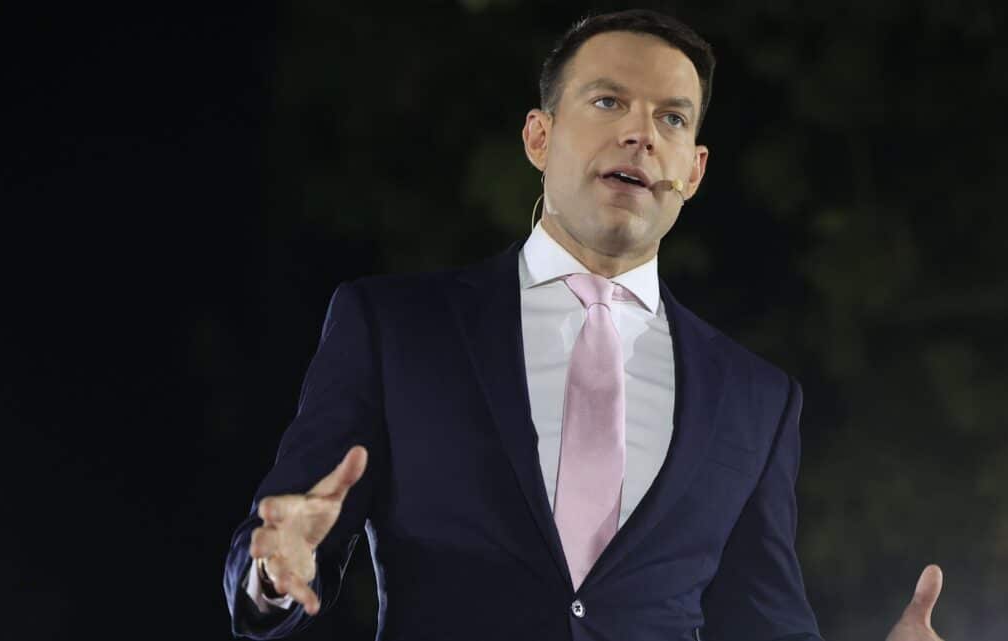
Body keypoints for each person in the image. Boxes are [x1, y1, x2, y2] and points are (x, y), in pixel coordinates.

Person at [223, 9, 949, 641]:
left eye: (671, 118)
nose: (641, 134)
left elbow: (765, 624)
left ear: (694, 171)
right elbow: (288, 532)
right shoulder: (397, 328)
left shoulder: (756, 397)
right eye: (608, 102)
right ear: (539, 137)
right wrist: (274, 572)